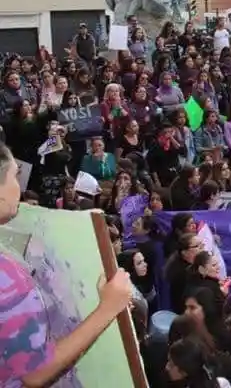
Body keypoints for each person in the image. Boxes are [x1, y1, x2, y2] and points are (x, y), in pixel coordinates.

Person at [0, 141, 135, 387]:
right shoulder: (8, 279)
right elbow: (36, 373)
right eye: (14, 176)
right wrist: (108, 308)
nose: (18, 187)